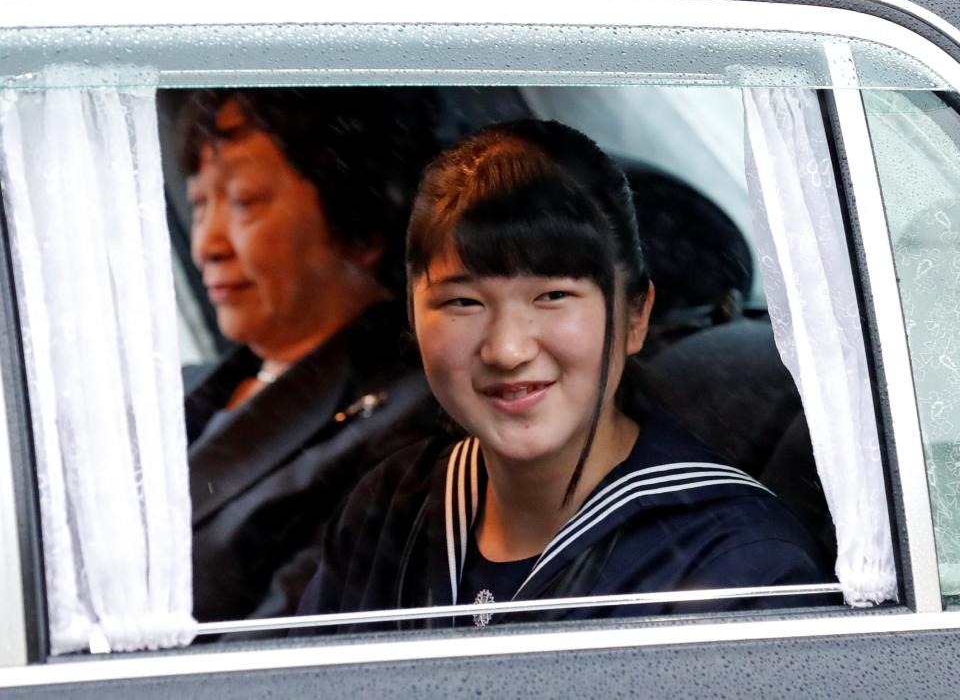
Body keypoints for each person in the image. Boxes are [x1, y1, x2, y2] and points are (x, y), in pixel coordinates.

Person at [296, 119, 834, 631]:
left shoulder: (740, 571)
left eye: (553, 295)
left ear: (635, 316)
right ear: (413, 319)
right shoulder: (392, 509)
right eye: (462, 301)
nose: (507, 349)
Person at [178, 88, 441, 623]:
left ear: (359, 221)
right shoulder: (182, 391)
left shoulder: (417, 423)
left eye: (245, 201)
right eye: (200, 204)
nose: (208, 244)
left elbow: (282, 646)